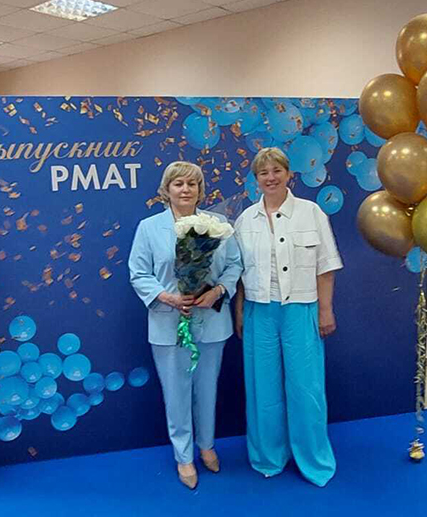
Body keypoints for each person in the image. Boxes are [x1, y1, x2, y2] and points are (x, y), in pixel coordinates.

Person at [128, 161, 242, 490]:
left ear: (200, 190)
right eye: (178, 183)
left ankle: (206, 446)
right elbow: (138, 273)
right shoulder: (149, 228)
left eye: (192, 184)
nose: (185, 189)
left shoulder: (218, 225)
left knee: (207, 390)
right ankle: (184, 457)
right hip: (168, 324)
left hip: (212, 322)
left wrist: (217, 292)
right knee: (176, 394)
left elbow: (234, 265)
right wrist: (167, 297)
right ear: (166, 190)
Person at [234, 147, 343, 487]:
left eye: (276, 171)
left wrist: (325, 310)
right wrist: (240, 313)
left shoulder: (311, 213)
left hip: (301, 309)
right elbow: (238, 275)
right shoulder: (244, 220)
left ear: (288, 174)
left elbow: (326, 267)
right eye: (263, 173)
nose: (271, 178)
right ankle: (269, 457)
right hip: (258, 311)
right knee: (262, 389)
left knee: (305, 388)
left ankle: (313, 459)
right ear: (256, 180)